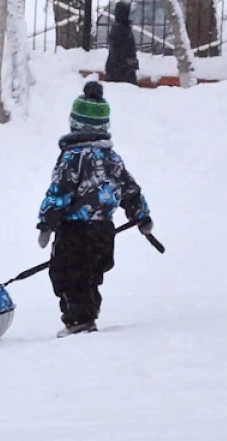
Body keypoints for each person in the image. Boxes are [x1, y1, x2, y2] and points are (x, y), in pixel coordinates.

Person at [37, 81, 153, 338]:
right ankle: (86, 316)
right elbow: (129, 188)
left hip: (76, 230)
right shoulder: (112, 158)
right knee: (90, 275)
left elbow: (60, 191)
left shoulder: (73, 157)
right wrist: (141, 215)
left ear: (75, 124)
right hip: (103, 231)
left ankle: (80, 321)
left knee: (67, 274)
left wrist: (47, 222)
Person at [104, 0, 139, 85]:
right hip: (122, 72)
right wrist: (130, 64)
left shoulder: (122, 28)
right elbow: (121, 53)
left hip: (122, 69)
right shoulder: (121, 30)